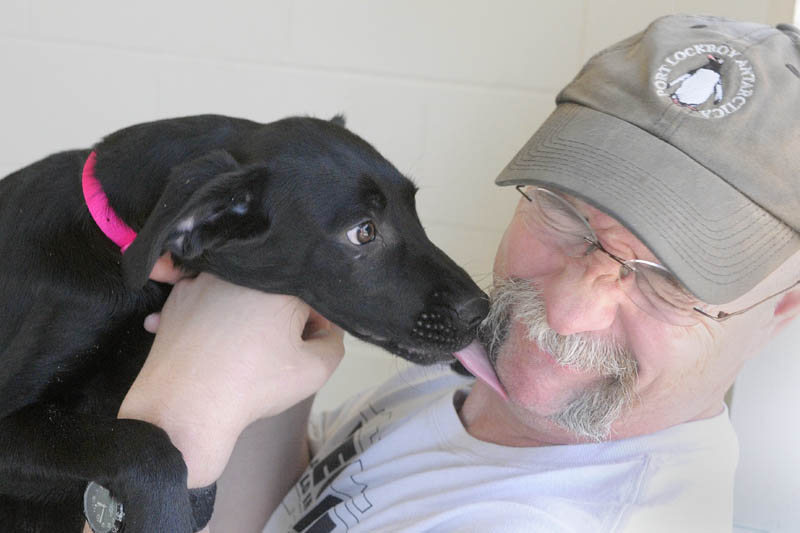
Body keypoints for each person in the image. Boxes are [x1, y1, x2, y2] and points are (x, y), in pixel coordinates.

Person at [114, 14, 800, 533]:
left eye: (666, 279)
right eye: (565, 215)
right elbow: (284, 508)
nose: (564, 311)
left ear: (782, 308)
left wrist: (174, 426)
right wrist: (274, 342)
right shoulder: (488, 381)